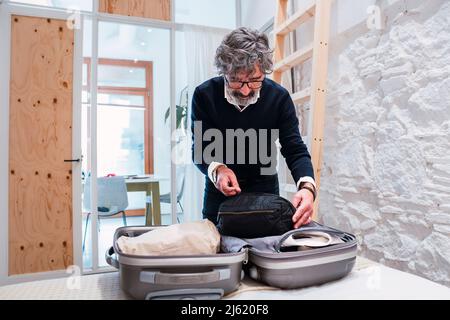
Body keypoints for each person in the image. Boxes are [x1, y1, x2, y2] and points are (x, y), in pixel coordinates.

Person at [191, 27, 316, 229]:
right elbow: (200, 150)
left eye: (255, 80)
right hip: (219, 197)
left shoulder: (279, 98)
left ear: (264, 71)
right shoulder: (204, 96)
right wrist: (219, 170)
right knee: (219, 254)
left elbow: (295, 149)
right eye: (236, 80)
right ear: (224, 71)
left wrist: (307, 188)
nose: (245, 89)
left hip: (265, 198)